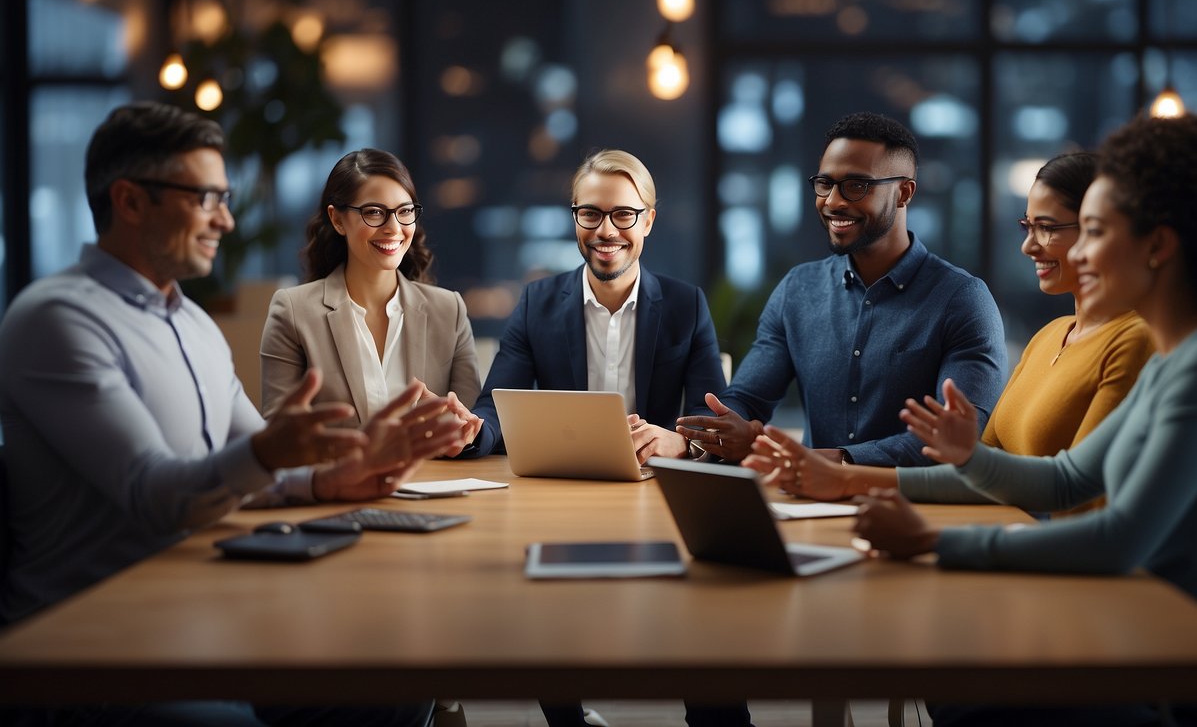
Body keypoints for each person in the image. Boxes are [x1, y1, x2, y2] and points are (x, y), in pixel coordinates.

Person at [0, 102, 470, 726]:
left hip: (199, 610)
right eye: (205, 198)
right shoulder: (59, 319)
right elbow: (156, 493)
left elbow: (256, 468)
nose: (225, 218)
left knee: (398, 681)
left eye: (224, 196)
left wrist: (330, 480)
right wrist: (277, 452)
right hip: (96, 658)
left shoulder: (191, 324)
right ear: (131, 201)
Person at [855, 113, 1197, 726]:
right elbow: (1063, 480)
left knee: (962, 689)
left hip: (1165, 679)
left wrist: (931, 541)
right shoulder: (1177, 361)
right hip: (1125, 633)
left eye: (1094, 232)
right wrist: (969, 458)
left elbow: (1118, 539)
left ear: (1157, 246)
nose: (1076, 252)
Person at [460, 149, 739, 727]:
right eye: (590, 214)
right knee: (533, 580)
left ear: (650, 220)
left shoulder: (686, 306)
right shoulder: (538, 302)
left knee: (704, 604)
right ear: (574, 219)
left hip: (658, 498)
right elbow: (494, 408)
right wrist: (468, 430)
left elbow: (715, 420)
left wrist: (679, 442)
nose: (606, 230)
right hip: (564, 499)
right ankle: (566, 719)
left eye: (623, 215)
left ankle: (719, 718)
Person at [744, 153, 1154, 509]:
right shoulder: (1050, 336)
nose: (1028, 246)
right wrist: (846, 480)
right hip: (1019, 548)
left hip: (1065, 571)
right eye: (1026, 226)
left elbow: (1067, 489)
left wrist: (852, 475)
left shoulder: (1134, 340)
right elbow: (982, 471)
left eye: (1046, 227)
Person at [677, 112, 1007, 467]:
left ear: (904, 193)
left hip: (916, 510)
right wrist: (730, 425)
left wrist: (826, 462)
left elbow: (954, 437)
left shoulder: (962, 300)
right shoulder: (798, 290)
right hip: (809, 508)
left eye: (856, 185)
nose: (833, 201)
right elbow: (748, 397)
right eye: (825, 183)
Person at [260, 148, 483, 446]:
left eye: (404, 211)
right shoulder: (293, 311)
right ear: (337, 220)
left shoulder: (449, 310)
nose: (393, 228)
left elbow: (469, 425)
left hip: (433, 486)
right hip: (337, 488)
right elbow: (278, 437)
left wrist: (462, 431)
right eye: (374, 212)